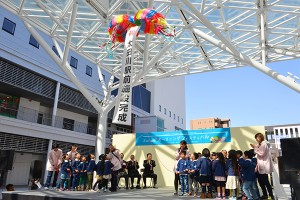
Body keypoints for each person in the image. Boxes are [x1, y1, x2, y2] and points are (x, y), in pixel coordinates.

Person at [250, 133, 274, 200]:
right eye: (256, 138)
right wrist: (255, 147)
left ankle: (271, 195)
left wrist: (254, 147)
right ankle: (265, 194)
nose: (257, 139)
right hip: (260, 166)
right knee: (261, 182)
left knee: (266, 182)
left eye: (258, 137)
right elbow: (256, 152)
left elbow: (261, 153)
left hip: (264, 166)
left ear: (261, 137)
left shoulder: (264, 144)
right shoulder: (259, 145)